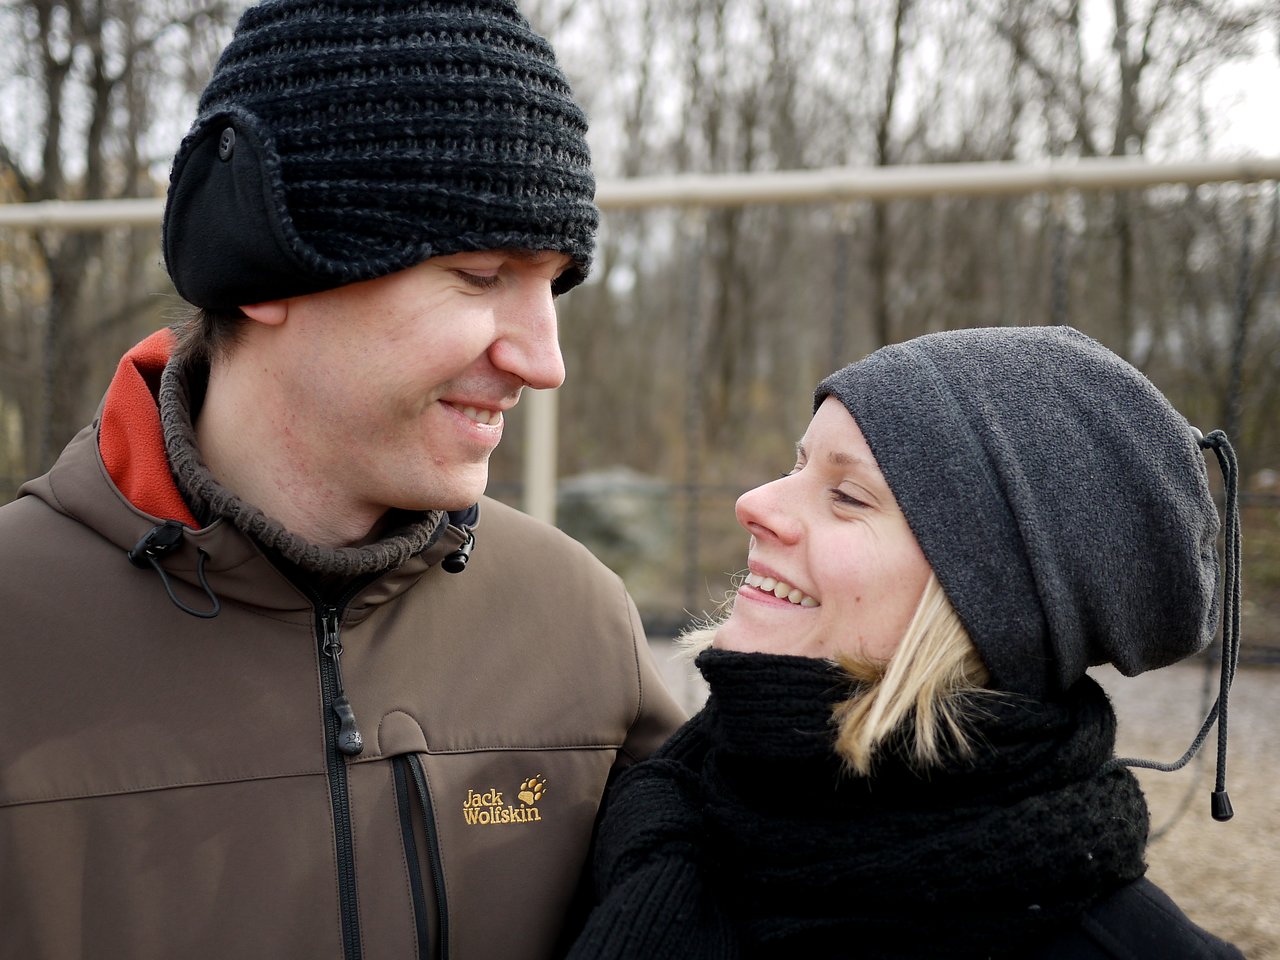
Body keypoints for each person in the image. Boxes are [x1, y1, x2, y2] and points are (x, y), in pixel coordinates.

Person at [0, 2, 684, 958]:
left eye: (555, 284)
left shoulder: (575, 625)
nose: (545, 361)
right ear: (259, 266)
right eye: (481, 274)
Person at [567, 325, 1245, 959]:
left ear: (986, 605)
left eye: (848, 496)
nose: (757, 503)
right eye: (796, 466)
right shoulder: (640, 809)